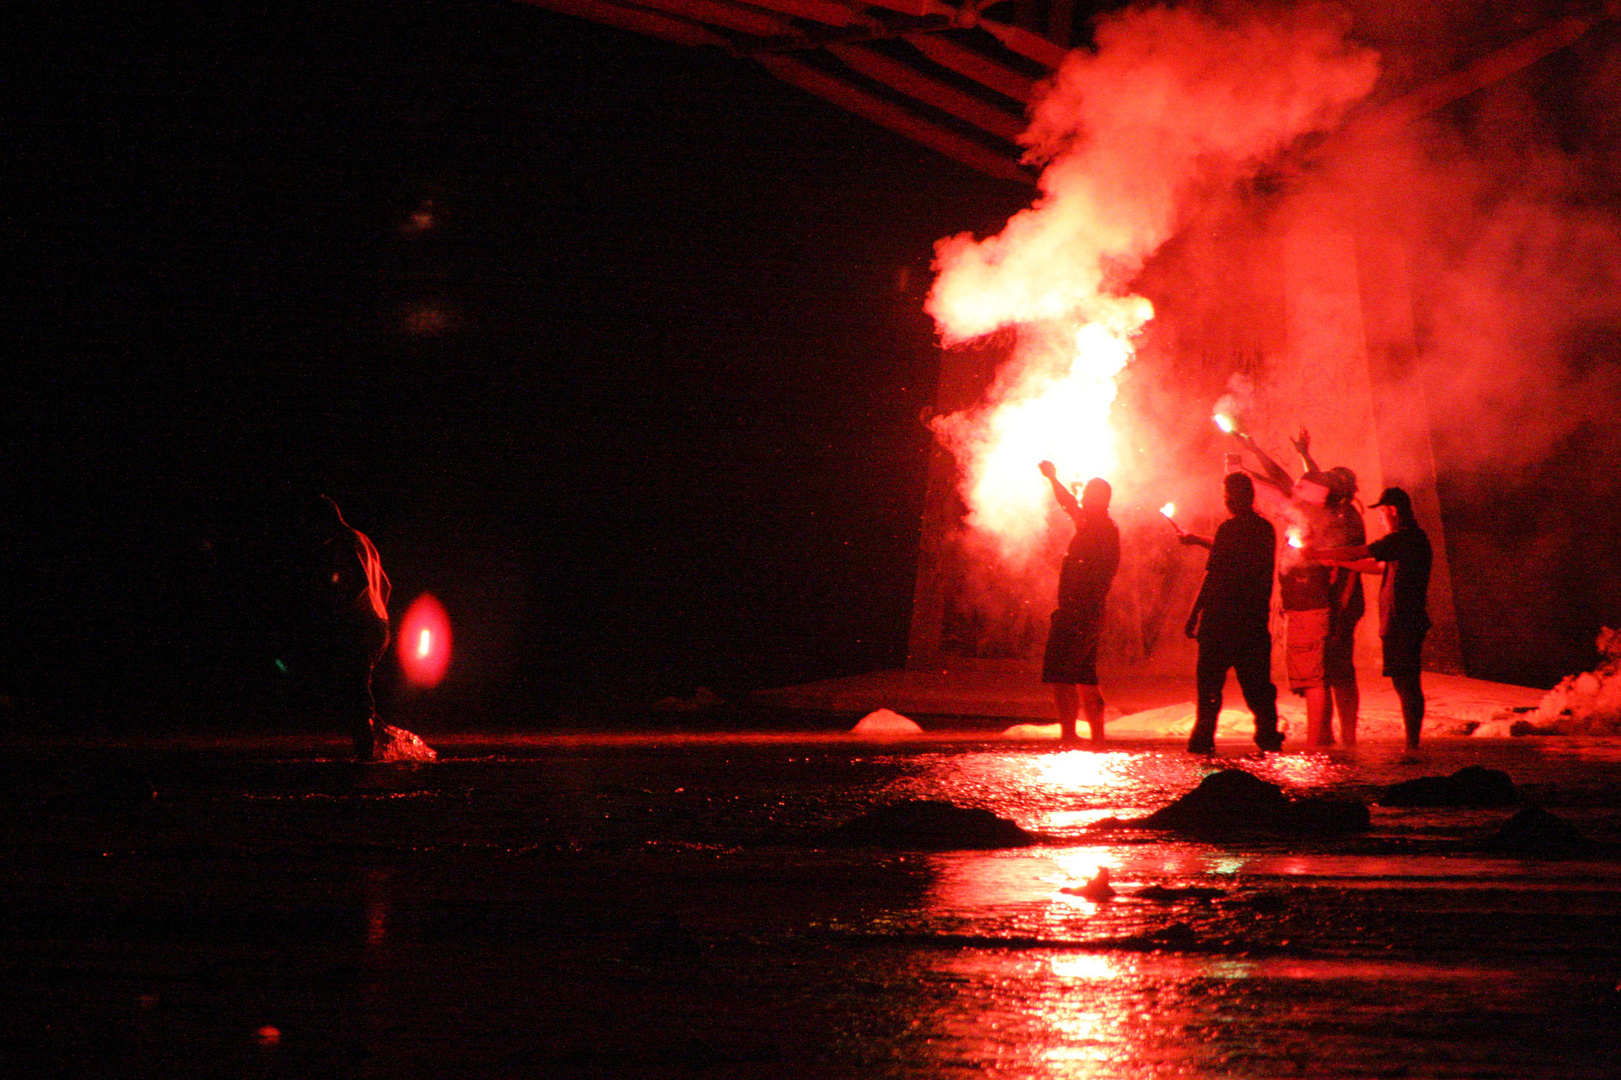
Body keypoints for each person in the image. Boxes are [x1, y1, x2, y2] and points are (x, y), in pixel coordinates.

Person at [1304, 486, 1432, 749]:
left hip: (1404, 620)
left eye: (1382, 513)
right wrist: (1339, 563)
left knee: (1407, 683)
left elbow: (1363, 552)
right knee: (1403, 681)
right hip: (1398, 620)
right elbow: (1376, 566)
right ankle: (1412, 743)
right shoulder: (1405, 542)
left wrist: (1320, 554)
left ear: (1393, 511)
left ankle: (1413, 744)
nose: (1380, 519)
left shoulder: (1405, 538)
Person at [1178, 471, 1283, 754]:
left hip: (1221, 621)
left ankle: (1203, 737)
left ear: (1233, 498)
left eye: (1227, 495)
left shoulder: (1228, 530)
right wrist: (1198, 539)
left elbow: (1213, 576)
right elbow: (1233, 547)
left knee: (1210, 685)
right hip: (1253, 621)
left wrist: (1193, 613)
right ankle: (1268, 734)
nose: (1225, 501)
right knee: (1258, 685)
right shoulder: (1264, 530)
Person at [301, 494, 392, 760]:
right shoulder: (363, 539)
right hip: (378, 623)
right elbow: (384, 585)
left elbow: (360, 582)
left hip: (362, 626)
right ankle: (374, 748)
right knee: (357, 689)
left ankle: (367, 756)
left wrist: (338, 611)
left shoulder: (342, 542)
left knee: (355, 693)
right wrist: (379, 616)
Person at [1038, 462, 1120, 743]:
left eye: (1087, 493)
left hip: (1078, 611)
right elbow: (1071, 505)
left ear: (1097, 499)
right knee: (1087, 677)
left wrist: (1052, 478)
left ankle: (1069, 737)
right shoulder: (1106, 527)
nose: (1081, 497)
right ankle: (1097, 739)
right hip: (1092, 611)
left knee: (1062, 676)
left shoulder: (1094, 525)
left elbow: (1068, 504)